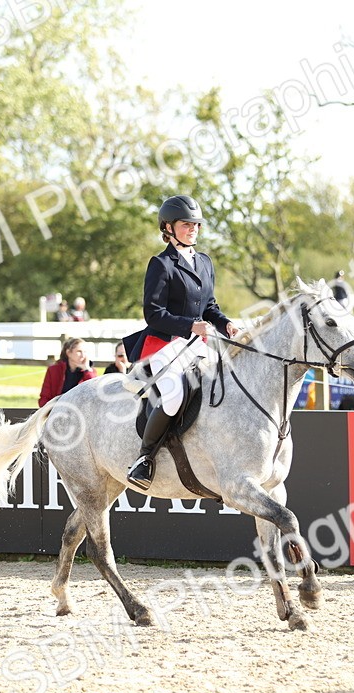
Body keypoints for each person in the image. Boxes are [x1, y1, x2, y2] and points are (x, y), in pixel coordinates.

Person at [122, 194, 239, 490]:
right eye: (186, 224)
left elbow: (209, 305)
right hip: (165, 344)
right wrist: (190, 325)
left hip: (198, 342)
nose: (193, 229)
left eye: (196, 224)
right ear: (168, 227)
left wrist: (225, 323)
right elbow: (153, 313)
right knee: (173, 397)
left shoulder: (204, 261)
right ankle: (144, 458)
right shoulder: (161, 264)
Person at [38, 337, 97, 407]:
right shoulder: (53, 370)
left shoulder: (90, 372)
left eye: (85, 352)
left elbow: (95, 394)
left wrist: (87, 370)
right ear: (68, 353)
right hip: (56, 410)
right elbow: (44, 398)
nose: (83, 355)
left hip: (80, 412)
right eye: (79, 351)